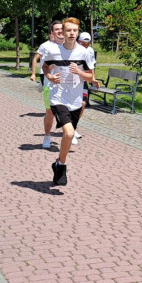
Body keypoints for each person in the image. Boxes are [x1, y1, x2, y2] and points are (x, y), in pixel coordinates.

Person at [43, 18, 95, 186]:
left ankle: (59, 162)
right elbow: (45, 66)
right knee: (69, 133)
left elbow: (91, 76)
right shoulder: (54, 51)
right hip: (58, 97)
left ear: (78, 32)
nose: (72, 33)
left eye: (75, 30)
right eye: (68, 30)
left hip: (76, 100)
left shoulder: (84, 53)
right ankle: (63, 167)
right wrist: (50, 76)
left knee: (68, 134)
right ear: (62, 33)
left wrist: (79, 72)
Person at [30, 20, 64, 149]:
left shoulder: (72, 45)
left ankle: (69, 132)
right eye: (56, 29)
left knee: (70, 111)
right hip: (50, 84)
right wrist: (46, 76)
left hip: (67, 86)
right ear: (52, 33)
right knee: (50, 112)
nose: (60, 31)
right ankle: (47, 135)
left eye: (62, 28)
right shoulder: (47, 47)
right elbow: (43, 65)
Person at [73, 31, 99, 146]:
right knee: (72, 105)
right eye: (84, 43)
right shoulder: (74, 49)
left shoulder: (90, 51)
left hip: (83, 80)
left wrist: (93, 78)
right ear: (79, 41)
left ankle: (74, 126)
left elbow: (91, 66)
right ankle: (70, 128)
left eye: (88, 43)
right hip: (72, 81)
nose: (86, 46)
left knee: (83, 104)